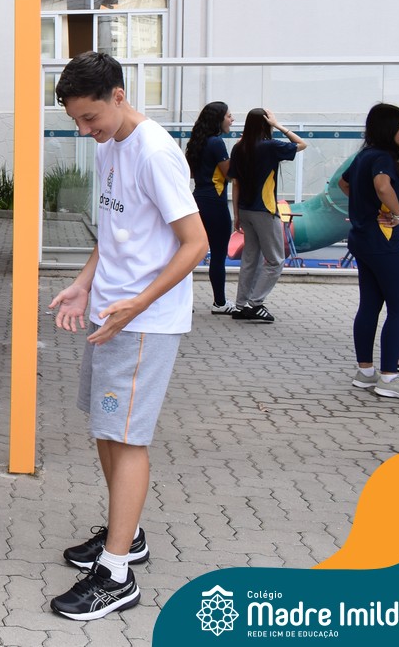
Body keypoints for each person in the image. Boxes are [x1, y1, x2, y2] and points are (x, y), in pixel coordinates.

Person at [47, 51, 207, 621]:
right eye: (76, 121)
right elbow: (116, 232)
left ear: (118, 96)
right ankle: (127, 533)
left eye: (90, 118)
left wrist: (139, 302)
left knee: (127, 437)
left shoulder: (154, 152)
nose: (84, 130)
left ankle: (117, 575)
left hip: (142, 322)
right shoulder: (111, 143)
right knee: (105, 427)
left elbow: (196, 243)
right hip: (110, 313)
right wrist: (83, 284)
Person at [340, 104, 399, 401]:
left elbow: (344, 183)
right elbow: (382, 185)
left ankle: (365, 372)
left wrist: (366, 208)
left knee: (370, 304)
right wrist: (397, 213)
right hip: (383, 242)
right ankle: (389, 377)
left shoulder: (364, 155)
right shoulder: (385, 157)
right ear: (387, 127)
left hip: (362, 239)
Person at [227, 108, 306, 323]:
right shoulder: (270, 146)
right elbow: (301, 144)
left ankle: (241, 305)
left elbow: (236, 184)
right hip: (265, 210)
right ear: (266, 124)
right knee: (275, 260)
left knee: (250, 259)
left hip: (245, 210)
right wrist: (279, 125)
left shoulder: (239, 147)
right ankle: (255, 304)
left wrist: (237, 214)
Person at [184, 102, 235, 314]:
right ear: (219, 119)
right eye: (229, 116)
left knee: (188, 254)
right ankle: (220, 303)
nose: (232, 120)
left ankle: (182, 303)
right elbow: (229, 175)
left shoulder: (197, 142)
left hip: (197, 200)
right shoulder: (216, 142)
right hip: (215, 203)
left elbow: (191, 172)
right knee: (218, 254)